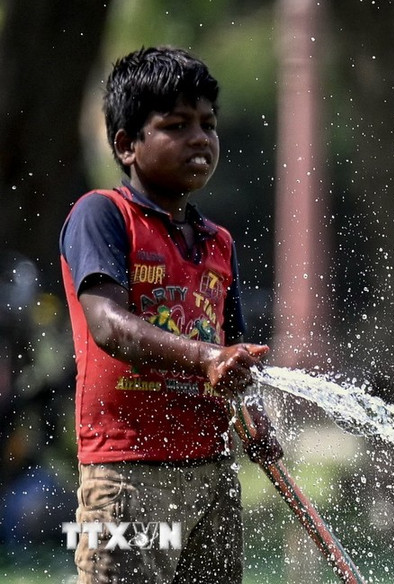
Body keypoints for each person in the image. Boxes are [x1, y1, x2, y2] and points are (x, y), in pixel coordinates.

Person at [59, 46, 282, 583]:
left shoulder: (217, 243)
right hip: (127, 475)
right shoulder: (103, 216)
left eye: (207, 124)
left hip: (210, 472)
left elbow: (232, 355)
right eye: (176, 125)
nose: (200, 138)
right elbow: (109, 325)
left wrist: (251, 418)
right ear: (126, 144)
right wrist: (207, 358)